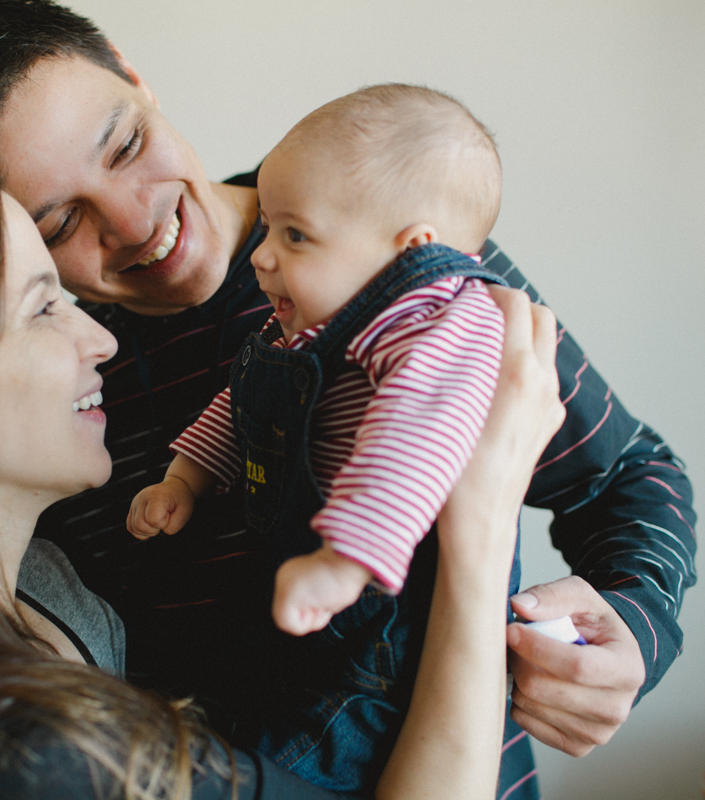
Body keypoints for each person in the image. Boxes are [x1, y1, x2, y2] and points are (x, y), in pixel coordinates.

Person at [0, 2, 697, 797]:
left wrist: (635, 626)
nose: (136, 221)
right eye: (61, 222)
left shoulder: (396, 265)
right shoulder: (39, 382)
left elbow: (626, 475)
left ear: (137, 79)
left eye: (127, 144)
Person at [0, 136, 563, 800]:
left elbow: (633, 478)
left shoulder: (44, 584)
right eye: (43, 307)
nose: (98, 335)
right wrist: (481, 511)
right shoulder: (34, 758)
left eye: (127, 140)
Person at [126, 84, 510, 789]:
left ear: (410, 251)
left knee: (304, 763)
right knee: (252, 725)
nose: (263, 257)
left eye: (294, 234)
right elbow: (244, 402)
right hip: (310, 596)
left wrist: (347, 559)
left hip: (388, 618)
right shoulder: (316, 326)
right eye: (268, 228)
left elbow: (414, 436)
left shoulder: (446, 322)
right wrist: (188, 475)